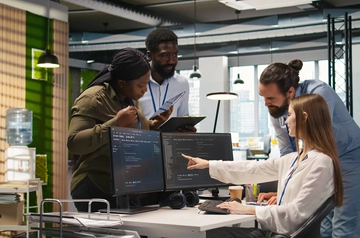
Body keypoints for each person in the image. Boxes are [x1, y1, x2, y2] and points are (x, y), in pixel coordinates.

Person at [182, 94, 343, 237]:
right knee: (204, 234)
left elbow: (294, 215)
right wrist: (209, 164)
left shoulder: (321, 162)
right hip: (277, 232)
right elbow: (254, 168)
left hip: (283, 234)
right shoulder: (295, 158)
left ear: (304, 117)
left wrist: (249, 209)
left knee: (201, 235)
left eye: (290, 115)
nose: (286, 121)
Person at [258, 59, 360, 238]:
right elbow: (288, 154)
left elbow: (317, 138)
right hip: (322, 161)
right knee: (322, 227)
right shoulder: (277, 109)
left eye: (271, 98)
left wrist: (297, 187)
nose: (266, 103)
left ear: (290, 92)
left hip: (350, 160)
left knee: (344, 228)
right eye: (263, 97)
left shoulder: (318, 93)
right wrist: (286, 188)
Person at [67, 47, 169, 212]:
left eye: (146, 84)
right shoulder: (93, 99)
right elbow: (74, 143)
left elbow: (132, 133)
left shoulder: (130, 98)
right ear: (122, 82)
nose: (144, 90)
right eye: (140, 85)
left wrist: (154, 124)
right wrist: (115, 123)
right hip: (95, 185)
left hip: (124, 186)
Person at [139, 28, 193, 131]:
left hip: (171, 144)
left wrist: (187, 130)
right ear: (150, 55)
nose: (171, 61)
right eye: (164, 55)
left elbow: (182, 117)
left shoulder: (181, 83)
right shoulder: (136, 82)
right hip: (142, 142)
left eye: (175, 54)